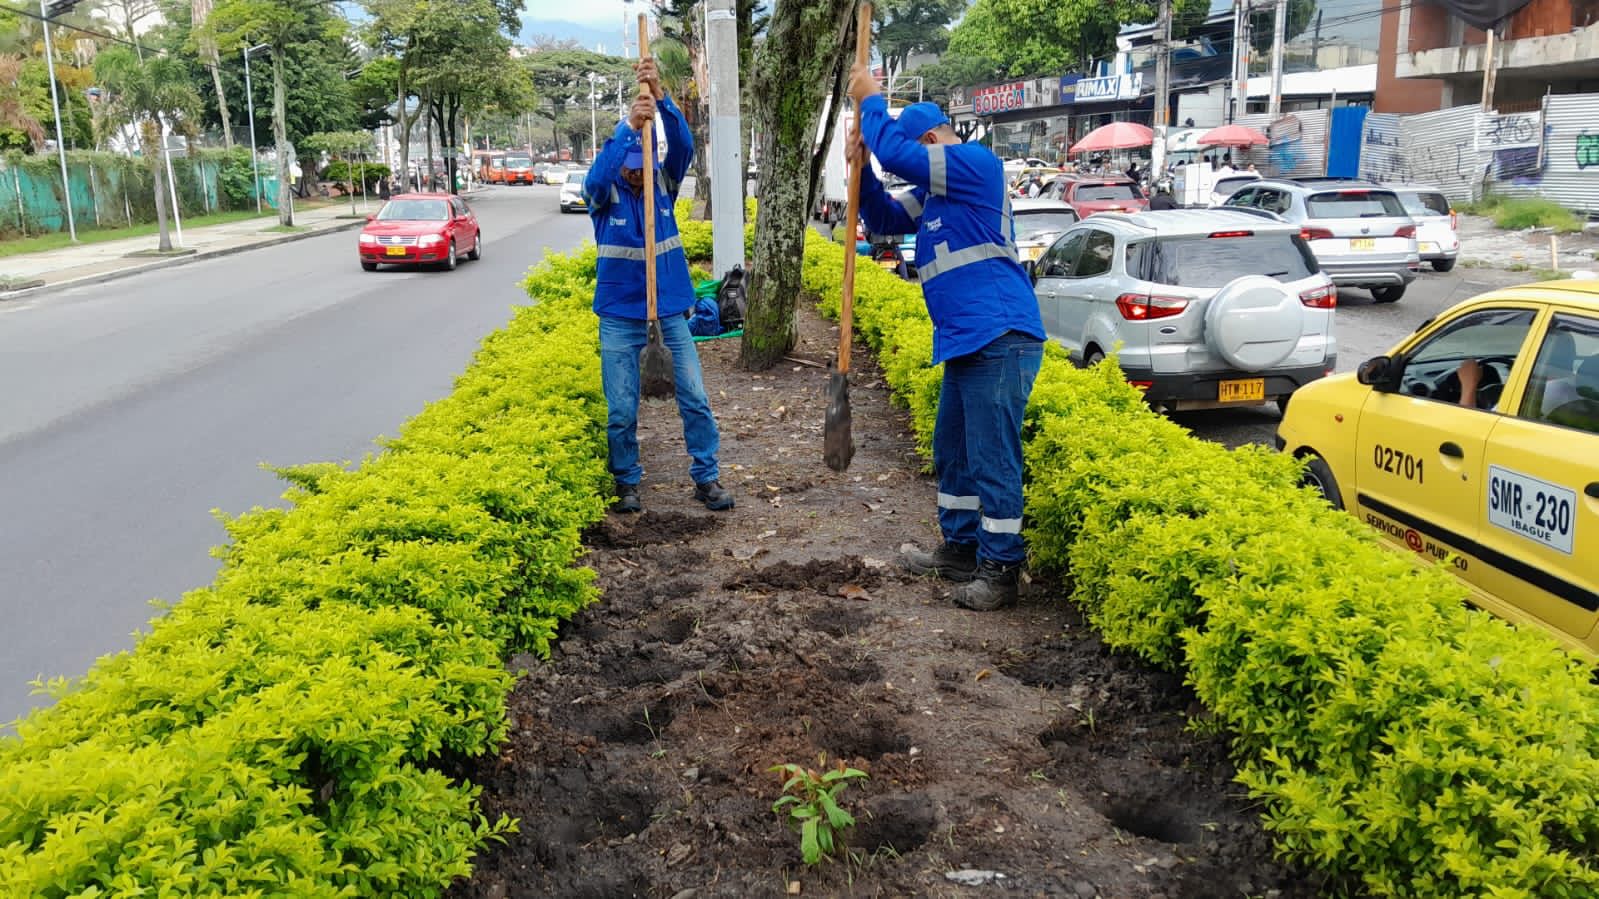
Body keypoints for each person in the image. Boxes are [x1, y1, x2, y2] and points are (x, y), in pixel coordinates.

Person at [847, 64, 1046, 611]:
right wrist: (861, 170)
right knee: (953, 451)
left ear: (932, 142)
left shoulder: (975, 165)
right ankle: (960, 549)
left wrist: (871, 103)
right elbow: (884, 218)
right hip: (966, 341)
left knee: (991, 456)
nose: (912, 170)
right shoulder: (936, 197)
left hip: (1000, 334)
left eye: (917, 155)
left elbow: (900, 157)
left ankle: (1001, 567)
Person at [583, 56, 733, 515]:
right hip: (620, 317)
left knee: (695, 398)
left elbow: (683, 145)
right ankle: (626, 481)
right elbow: (597, 176)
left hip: (668, 313)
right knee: (622, 409)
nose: (636, 173)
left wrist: (661, 96)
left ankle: (706, 477)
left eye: (640, 165)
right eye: (630, 166)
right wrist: (630, 124)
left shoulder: (664, 185)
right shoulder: (604, 197)